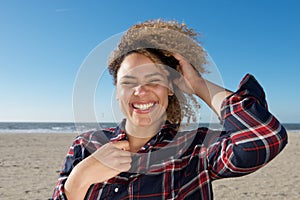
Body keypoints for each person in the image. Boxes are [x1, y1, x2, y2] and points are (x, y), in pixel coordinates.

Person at [51, 19, 288, 200]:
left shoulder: (197, 149)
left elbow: (264, 138)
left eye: (153, 80)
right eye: (128, 82)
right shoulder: (86, 145)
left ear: (171, 88)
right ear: (117, 91)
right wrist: (80, 178)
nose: (140, 91)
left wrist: (198, 85)